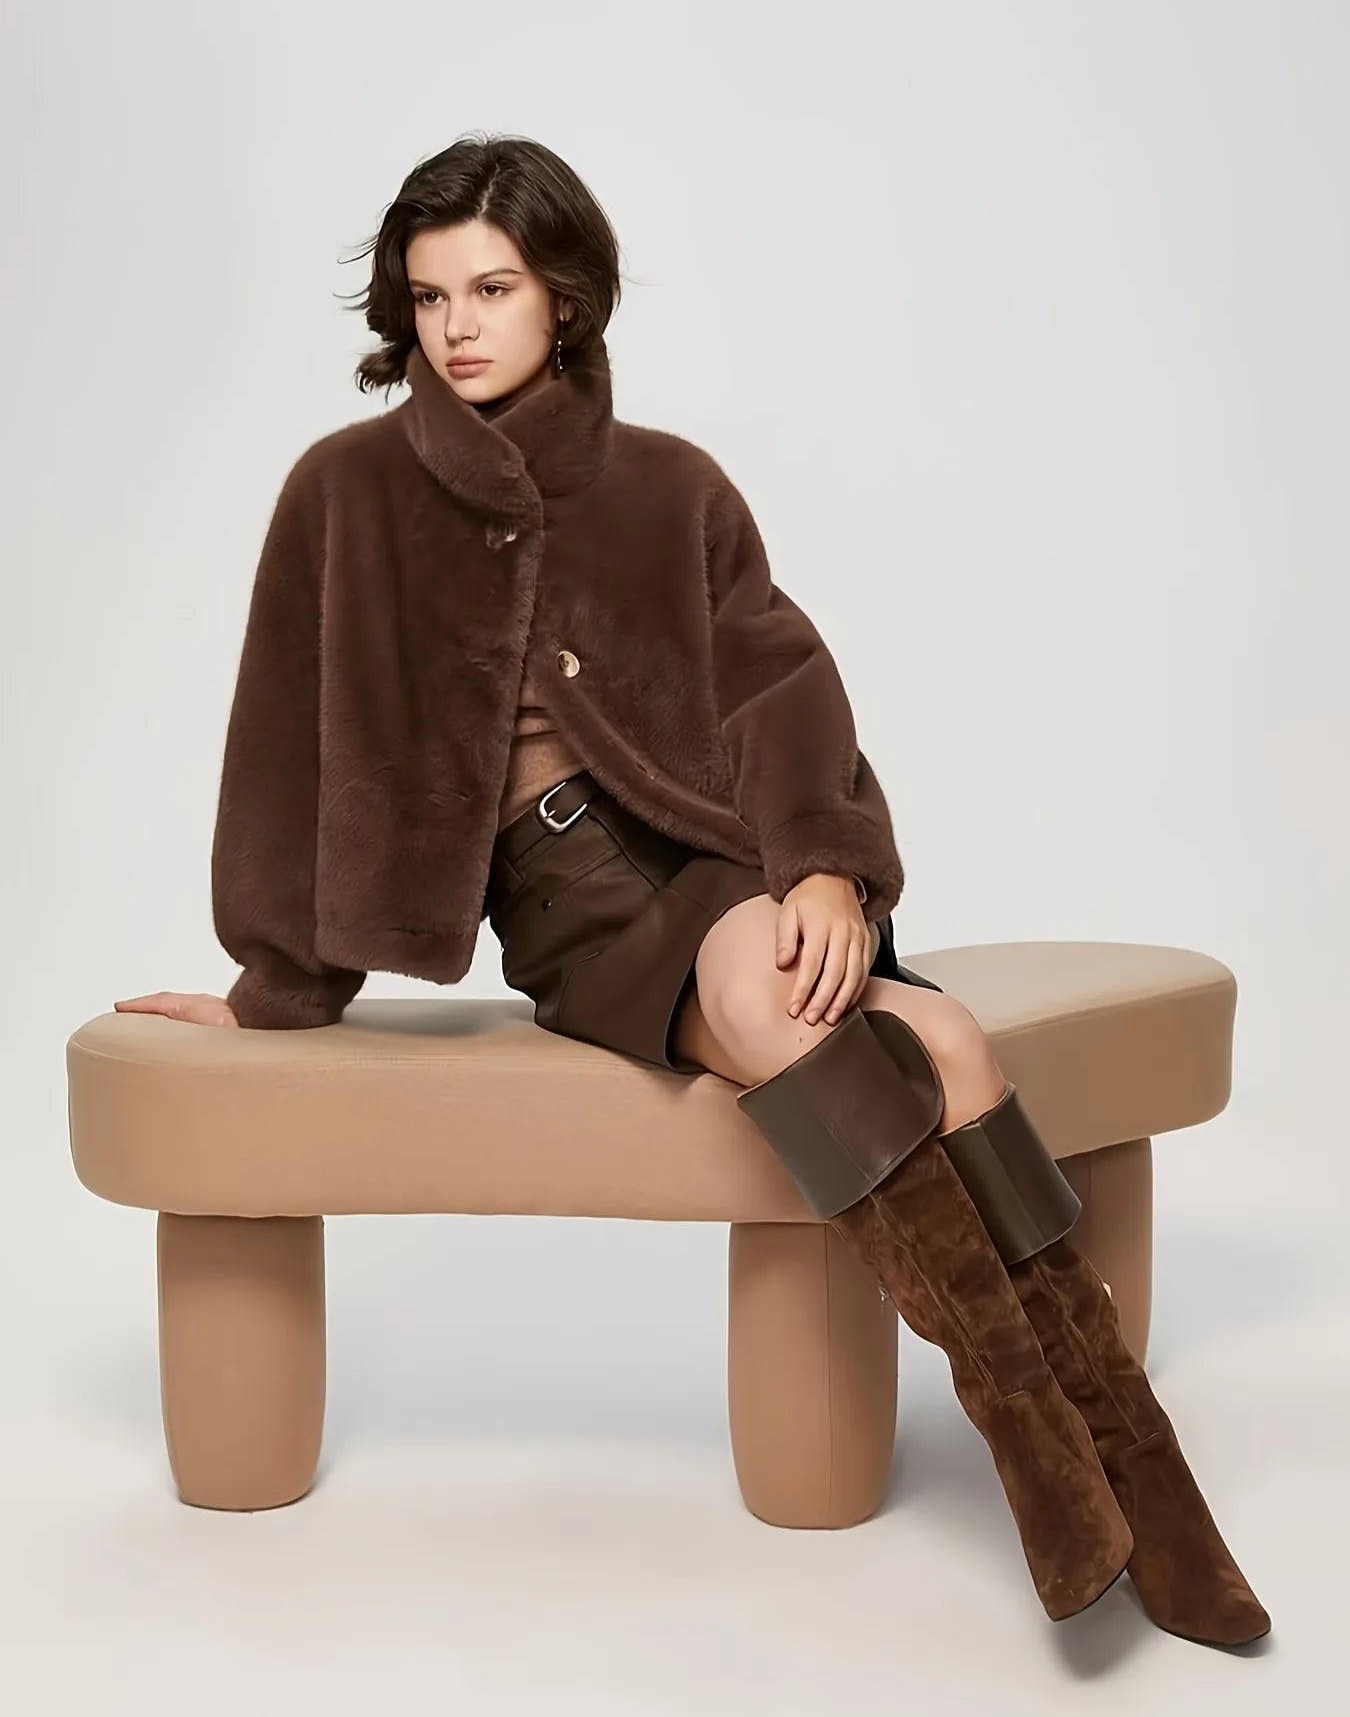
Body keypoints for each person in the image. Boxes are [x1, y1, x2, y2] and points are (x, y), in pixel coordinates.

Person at [115, 133, 1269, 1645]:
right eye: (427, 296)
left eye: (493, 287)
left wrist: (830, 872)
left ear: (566, 300)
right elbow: (283, 746)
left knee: (955, 1049)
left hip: (725, 853)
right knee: (773, 1008)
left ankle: (1137, 1488)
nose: (456, 325)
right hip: (578, 899)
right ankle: (1040, 1460)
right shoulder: (342, 496)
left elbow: (781, 687)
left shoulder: (670, 486)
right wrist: (275, 987)